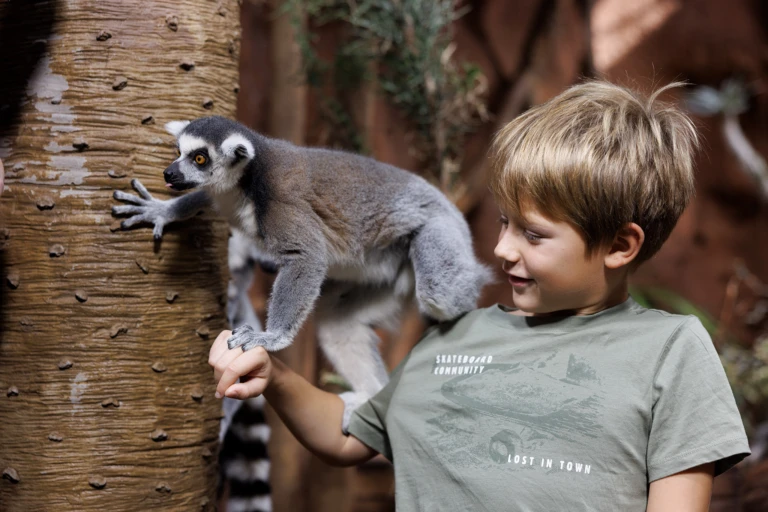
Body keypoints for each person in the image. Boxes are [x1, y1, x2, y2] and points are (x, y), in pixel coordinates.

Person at [208, 81, 750, 511]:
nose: (501, 249)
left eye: (533, 235)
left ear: (620, 245)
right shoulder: (457, 335)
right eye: (505, 223)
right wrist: (273, 376)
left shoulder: (670, 349)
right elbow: (351, 438)